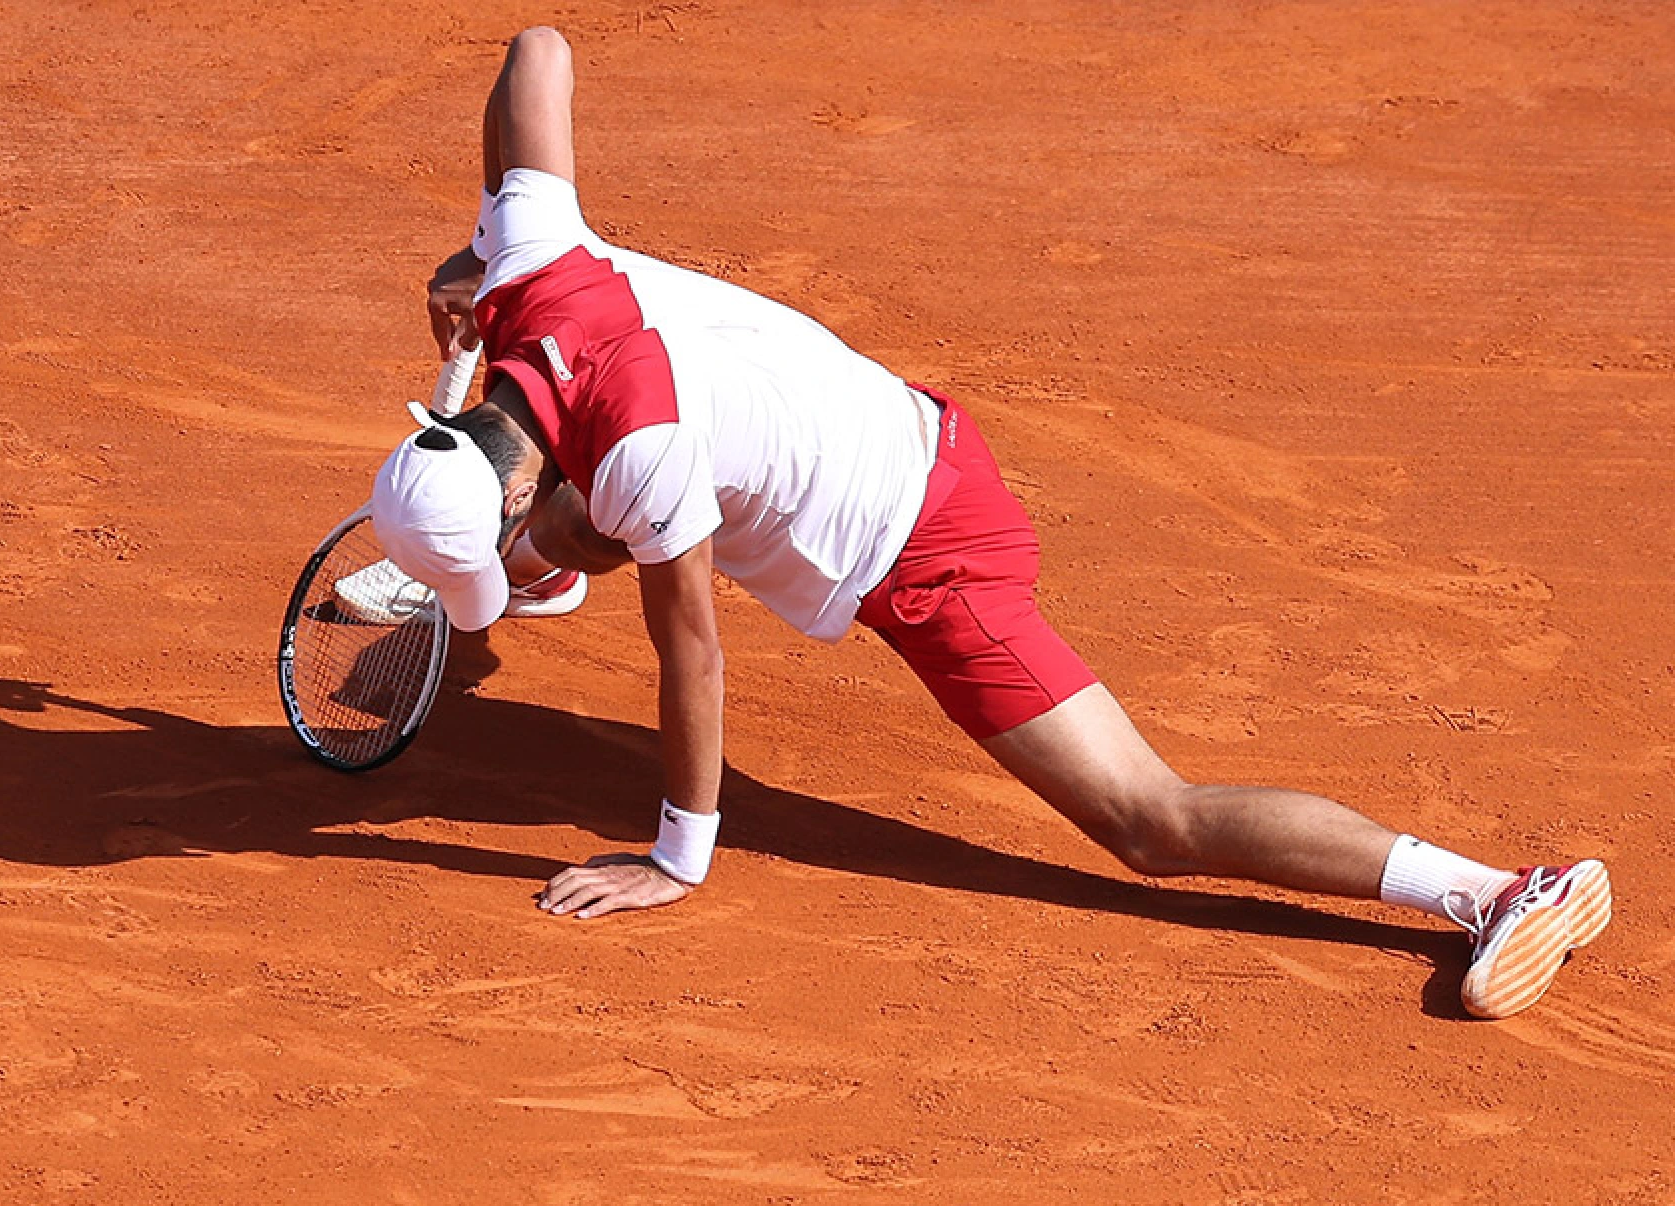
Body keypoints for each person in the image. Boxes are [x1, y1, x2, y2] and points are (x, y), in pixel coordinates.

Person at [366, 26, 1610, 1020]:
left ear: (504, 482)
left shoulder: (641, 460)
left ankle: (1499, 885)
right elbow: (536, 46)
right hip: (891, 422)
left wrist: (677, 856)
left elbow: (690, 651)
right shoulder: (529, 255)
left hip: (928, 552)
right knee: (605, 521)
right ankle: (537, 571)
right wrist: (473, 260)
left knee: (1148, 821)